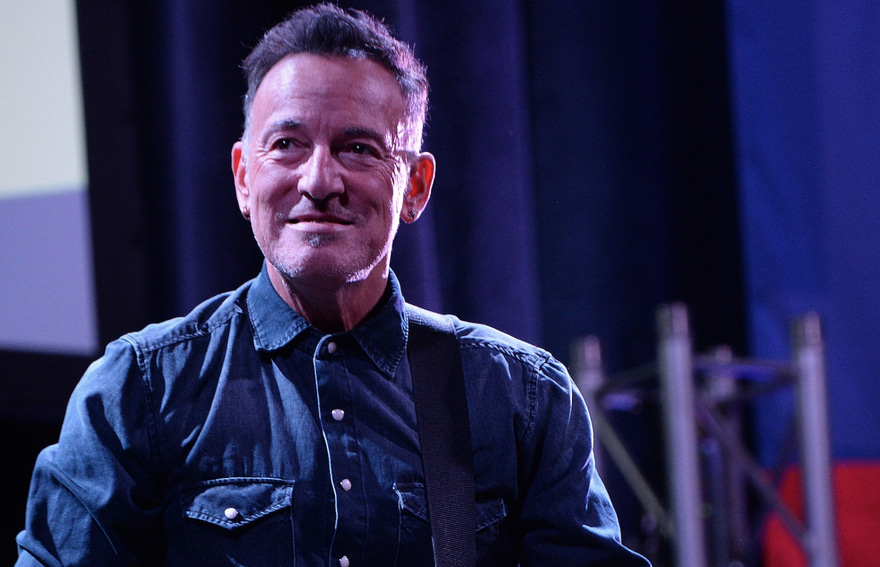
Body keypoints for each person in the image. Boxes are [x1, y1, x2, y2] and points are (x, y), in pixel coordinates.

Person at [15, 4, 650, 566]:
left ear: (416, 187)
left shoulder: (518, 397)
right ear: (244, 178)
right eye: (287, 144)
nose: (319, 181)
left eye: (359, 149)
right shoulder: (141, 390)